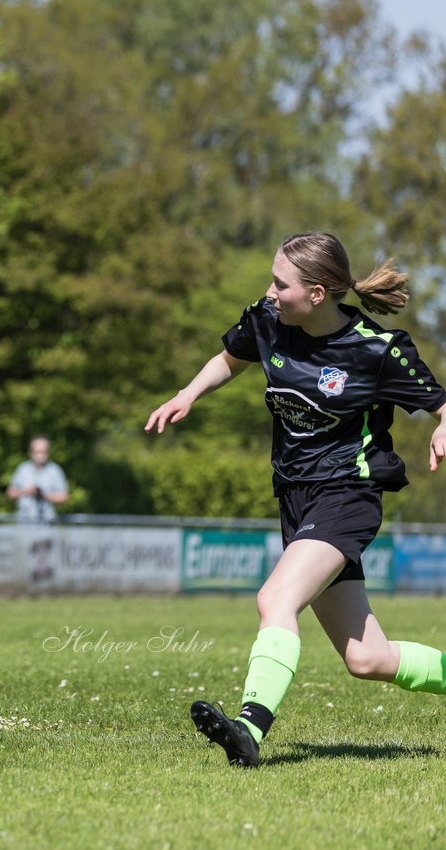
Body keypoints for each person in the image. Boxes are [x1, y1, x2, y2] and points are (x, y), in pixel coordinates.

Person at [146, 232, 446, 769]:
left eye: (280, 283)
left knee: (275, 600)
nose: (270, 290)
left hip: (347, 497)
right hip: (297, 501)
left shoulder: (378, 350)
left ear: (316, 293)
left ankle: (248, 729)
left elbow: (440, 402)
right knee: (366, 658)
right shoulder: (268, 319)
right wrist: (187, 394)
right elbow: (230, 359)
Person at [6, 436, 69, 523]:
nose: (41, 455)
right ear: (31, 452)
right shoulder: (22, 469)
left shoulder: (55, 470)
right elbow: (10, 494)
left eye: (44, 452)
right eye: (38, 452)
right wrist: (27, 491)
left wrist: (43, 495)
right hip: (24, 523)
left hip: (47, 524)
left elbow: (63, 497)